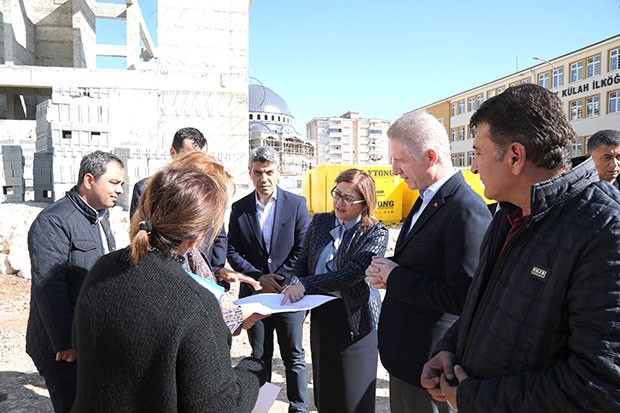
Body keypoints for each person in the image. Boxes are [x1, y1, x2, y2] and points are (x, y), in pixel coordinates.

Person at [420, 84, 620, 412]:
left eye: (478, 153)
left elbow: (599, 385)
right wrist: (449, 349)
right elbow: (486, 305)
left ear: (515, 157)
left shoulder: (605, 230)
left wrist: (475, 398)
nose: (473, 167)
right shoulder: (508, 213)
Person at [72, 164, 266, 412]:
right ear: (198, 237)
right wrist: (253, 371)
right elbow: (220, 407)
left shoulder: (104, 267)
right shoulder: (195, 302)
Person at [365, 111, 492, 413]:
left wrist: (395, 277)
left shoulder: (465, 209)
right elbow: (426, 263)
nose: (394, 169)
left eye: (400, 160)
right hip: (406, 359)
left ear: (430, 157)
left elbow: (464, 297)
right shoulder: (426, 197)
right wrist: (389, 269)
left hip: (432, 364)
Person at [282, 169, 388, 413]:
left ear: (365, 203)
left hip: (356, 323)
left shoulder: (375, 232)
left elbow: (352, 274)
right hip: (323, 317)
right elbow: (303, 262)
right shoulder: (320, 222)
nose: (339, 202)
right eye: (337, 194)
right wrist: (293, 283)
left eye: (348, 198)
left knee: (353, 400)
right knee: (327, 394)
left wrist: (306, 284)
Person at [26, 151, 124, 413]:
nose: (120, 190)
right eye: (114, 183)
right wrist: (65, 342)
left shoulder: (100, 217)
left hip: (89, 337)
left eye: (122, 184)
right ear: (89, 180)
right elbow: (49, 286)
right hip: (64, 347)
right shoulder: (54, 221)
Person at [227, 146, 311, 413]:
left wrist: (280, 279)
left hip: (289, 294)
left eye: (269, 172)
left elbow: (303, 249)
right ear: (250, 173)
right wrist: (257, 278)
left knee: (293, 356)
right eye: (258, 172)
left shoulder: (296, 204)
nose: (264, 178)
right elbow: (232, 251)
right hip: (255, 295)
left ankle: (298, 408)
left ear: (278, 172)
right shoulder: (240, 209)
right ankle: (260, 408)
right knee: (259, 357)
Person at [129, 126, 227, 271]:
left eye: (201, 158)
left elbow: (218, 234)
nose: (197, 164)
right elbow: (141, 234)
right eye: (190, 158)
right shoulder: (147, 189)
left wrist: (216, 269)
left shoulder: (209, 192)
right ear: (173, 153)